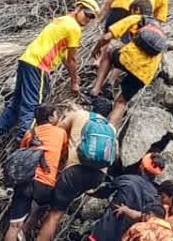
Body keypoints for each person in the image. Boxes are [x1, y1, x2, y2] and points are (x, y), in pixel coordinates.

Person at [0, 0, 99, 142]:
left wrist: (72, 75)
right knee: (34, 107)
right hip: (39, 66)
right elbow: (72, 59)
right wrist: (74, 81)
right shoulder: (74, 28)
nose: (88, 19)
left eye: (92, 17)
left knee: (17, 102)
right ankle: (25, 140)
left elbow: (63, 55)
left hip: (27, 60)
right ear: (78, 8)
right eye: (87, 14)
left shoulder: (61, 20)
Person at [34, 98, 116, 241]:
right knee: (59, 209)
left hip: (74, 171)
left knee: (55, 214)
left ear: (92, 107)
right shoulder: (111, 128)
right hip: (97, 177)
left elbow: (58, 131)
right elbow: (113, 156)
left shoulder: (80, 114)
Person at [88, 0, 165, 124]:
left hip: (128, 59)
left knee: (108, 52)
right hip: (146, 73)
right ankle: (109, 131)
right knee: (121, 102)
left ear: (136, 10)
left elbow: (106, 37)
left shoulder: (136, 18)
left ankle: (95, 90)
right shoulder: (160, 30)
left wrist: (96, 49)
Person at [4, 104, 68, 241]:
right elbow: (63, 154)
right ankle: (28, 227)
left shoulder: (30, 133)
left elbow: (23, 152)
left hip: (25, 181)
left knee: (14, 226)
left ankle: (20, 229)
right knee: (47, 208)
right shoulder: (60, 133)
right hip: (45, 183)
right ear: (51, 118)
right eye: (56, 114)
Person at [89, 151, 165, 241]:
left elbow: (104, 192)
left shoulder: (128, 179)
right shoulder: (155, 196)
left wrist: (90, 191)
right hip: (126, 237)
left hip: (104, 232)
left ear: (141, 166)